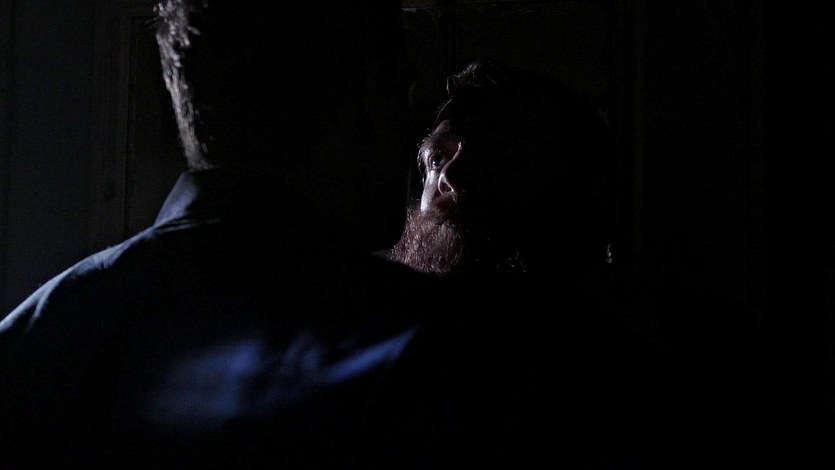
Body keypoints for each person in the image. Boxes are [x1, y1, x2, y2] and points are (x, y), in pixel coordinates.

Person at [0, 1, 432, 468]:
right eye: (405, 95)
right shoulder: (432, 357)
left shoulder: (35, 337)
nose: (413, 132)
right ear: (367, 93)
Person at [370, 57, 671, 469]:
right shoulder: (372, 332)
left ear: (577, 187)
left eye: (500, 153)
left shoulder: (616, 360)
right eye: (437, 159)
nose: (452, 175)